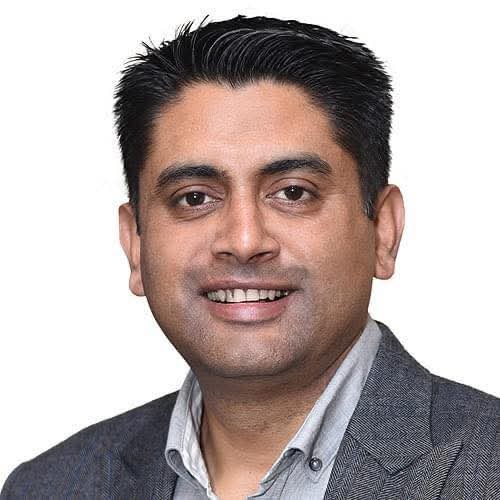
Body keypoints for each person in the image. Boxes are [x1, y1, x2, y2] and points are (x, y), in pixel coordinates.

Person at [1, 14, 499, 500]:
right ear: (135, 243)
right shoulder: (48, 487)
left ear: (384, 231)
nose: (243, 240)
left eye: (293, 192)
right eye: (195, 198)